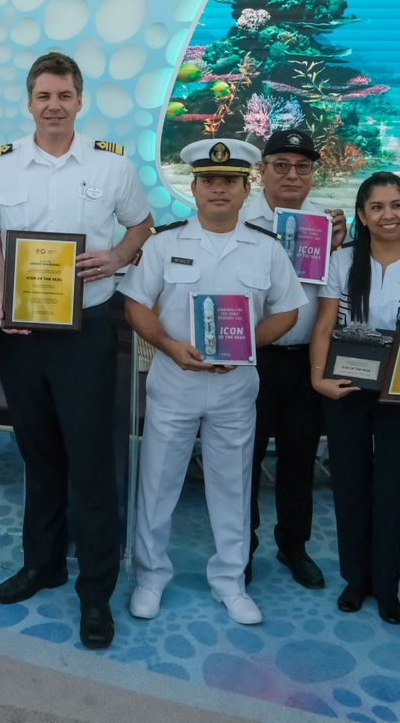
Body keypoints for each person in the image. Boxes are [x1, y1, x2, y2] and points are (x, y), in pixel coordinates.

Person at [0, 50, 153, 650]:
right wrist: (0, 293)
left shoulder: (111, 167)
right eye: (43, 96)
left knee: (92, 461)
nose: (54, 105)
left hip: (88, 331)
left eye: (64, 95)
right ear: (29, 102)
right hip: (23, 335)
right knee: (38, 453)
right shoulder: (1, 168)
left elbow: (141, 224)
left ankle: (96, 590)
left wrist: (120, 256)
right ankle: (43, 563)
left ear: (80, 101)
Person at [121, 138, 306, 625]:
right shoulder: (164, 244)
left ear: (247, 190)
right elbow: (136, 304)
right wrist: (167, 345)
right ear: (194, 188)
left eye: (230, 182)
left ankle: (229, 580)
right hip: (174, 380)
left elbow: (287, 310)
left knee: (232, 484)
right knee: (158, 482)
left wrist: (249, 346)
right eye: (209, 181)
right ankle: (150, 575)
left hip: (235, 387)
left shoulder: (266, 251)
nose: (218, 190)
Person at [309, 171, 400, 625]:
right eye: (377, 207)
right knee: (349, 488)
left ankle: (386, 585)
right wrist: (317, 379)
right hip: (344, 390)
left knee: (391, 490)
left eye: (397, 205)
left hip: (399, 399)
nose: (388, 215)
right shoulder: (343, 261)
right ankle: (356, 579)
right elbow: (325, 327)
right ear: (363, 216)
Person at [239, 128, 346, 590]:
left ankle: (293, 545)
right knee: (244, 456)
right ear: (262, 170)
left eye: (302, 166)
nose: (291, 174)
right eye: (280, 164)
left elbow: (338, 293)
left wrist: (341, 249)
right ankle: (240, 547)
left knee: (299, 458)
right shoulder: (239, 219)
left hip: (307, 360)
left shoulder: (330, 225)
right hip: (253, 357)